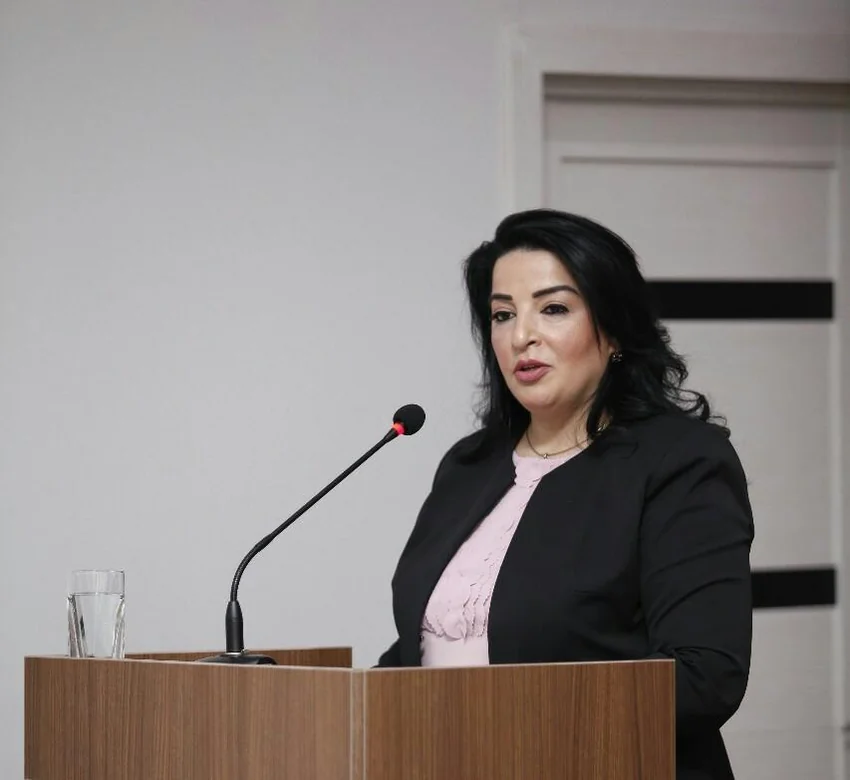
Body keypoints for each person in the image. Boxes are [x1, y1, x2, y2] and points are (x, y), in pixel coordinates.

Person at [376, 208, 754, 780]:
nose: (520, 336)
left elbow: (704, 676)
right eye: (502, 314)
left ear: (614, 328)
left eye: (553, 308)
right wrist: (337, 706)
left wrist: (502, 720)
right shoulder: (469, 465)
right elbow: (424, 651)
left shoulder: (680, 461)